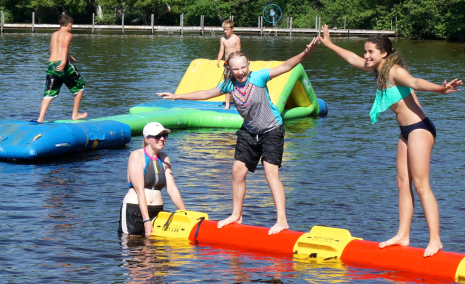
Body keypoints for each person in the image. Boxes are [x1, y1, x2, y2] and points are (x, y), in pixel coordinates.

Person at [319, 25, 461, 256]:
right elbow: (352, 59)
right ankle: (403, 235)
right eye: (365, 51)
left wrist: (439, 89)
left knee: (421, 185)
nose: (366, 56)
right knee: (402, 183)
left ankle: (435, 240)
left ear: (383, 53)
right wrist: (330, 44)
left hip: (420, 129)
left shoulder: (394, 71)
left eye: (370, 52)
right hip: (406, 132)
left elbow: (415, 82)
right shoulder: (378, 71)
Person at [157, 37, 320, 235]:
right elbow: (206, 93)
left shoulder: (258, 78)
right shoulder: (229, 85)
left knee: (270, 174)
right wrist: (176, 96)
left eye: (243, 67)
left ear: (248, 65)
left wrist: (306, 53)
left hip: (271, 131)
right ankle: (236, 215)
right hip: (249, 131)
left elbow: (286, 66)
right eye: (236, 69)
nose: (241, 72)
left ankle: (282, 221)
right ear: (230, 69)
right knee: (237, 171)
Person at [119, 122, 186, 236]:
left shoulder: (164, 158)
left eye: (164, 136)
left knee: (154, 251)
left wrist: (185, 214)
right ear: (147, 139)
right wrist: (146, 220)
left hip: (157, 211)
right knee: (133, 247)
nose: (162, 139)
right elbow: (139, 190)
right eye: (157, 136)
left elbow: (172, 190)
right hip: (134, 211)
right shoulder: (136, 155)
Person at [37, 13, 87, 122]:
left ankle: (40, 118)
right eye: (71, 25)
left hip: (51, 65)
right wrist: (65, 61)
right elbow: (64, 47)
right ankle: (75, 114)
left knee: (49, 93)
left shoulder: (54, 34)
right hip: (62, 64)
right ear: (69, 24)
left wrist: (68, 57)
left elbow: (51, 51)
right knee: (80, 86)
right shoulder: (68, 35)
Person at [216, 19, 242, 110]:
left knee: (237, 84)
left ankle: (237, 104)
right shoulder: (223, 39)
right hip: (227, 64)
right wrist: (218, 60)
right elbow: (221, 51)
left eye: (227, 29)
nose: (225, 31)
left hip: (234, 63)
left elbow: (238, 52)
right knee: (227, 83)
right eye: (224, 30)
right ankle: (227, 105)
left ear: (232, 29)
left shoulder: (236, 38)